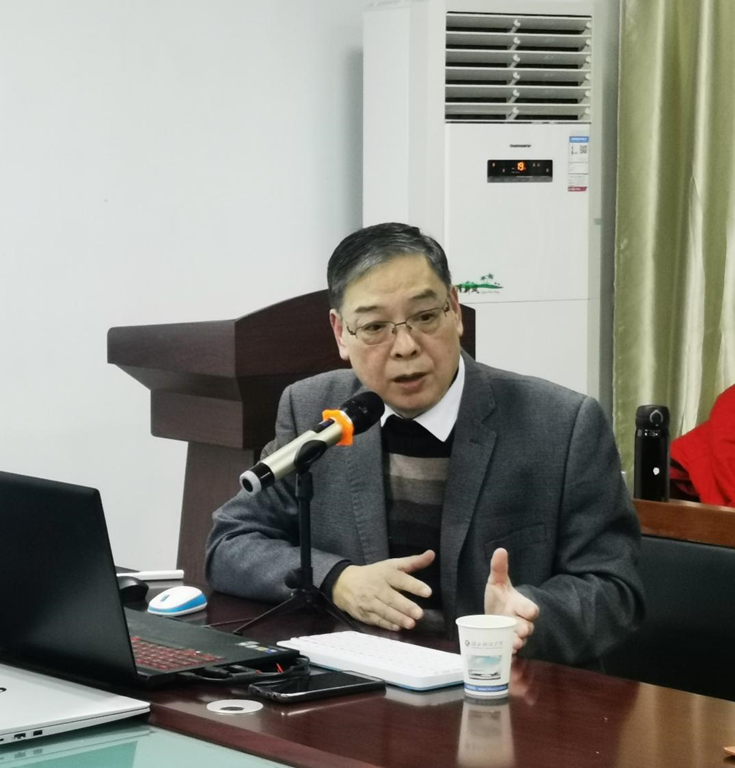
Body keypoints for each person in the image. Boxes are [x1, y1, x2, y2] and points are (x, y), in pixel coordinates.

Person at [206, 223, 643, 666]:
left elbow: (614, 590)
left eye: (426, 317)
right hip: (359, 684)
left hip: (502, 686)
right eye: (375, 326)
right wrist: (336, 579)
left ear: (455, 310)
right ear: (341, 333)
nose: (406, 347)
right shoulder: (314, 410)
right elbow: (230, 542)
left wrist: (532, 613)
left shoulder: (561, 425)